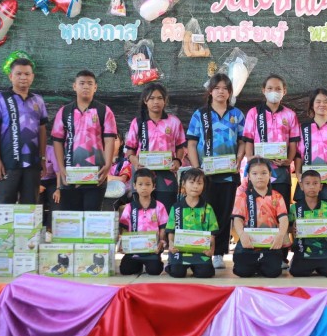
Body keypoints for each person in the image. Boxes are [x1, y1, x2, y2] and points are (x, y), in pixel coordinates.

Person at [185, 73, 245, 270]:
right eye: (217, 88)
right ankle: (201, 251)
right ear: (210, 91)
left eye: (225, 88)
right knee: (204, 213)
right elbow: (191, 143)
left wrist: (238, 160)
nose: (221, 91)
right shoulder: (200, 114)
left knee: (224, 214)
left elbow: (242, 141)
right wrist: (197, 169)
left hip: (229, 175)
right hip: (205, 175)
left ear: (230, 92)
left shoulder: (237, 114)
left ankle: (218, 253)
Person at [52, 70, 117, 211]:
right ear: (74, 86)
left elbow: (109, 140)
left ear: (95, 87)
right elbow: (57, 141)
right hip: (69, 173)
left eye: (90, 83)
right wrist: (61, 168)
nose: (86, 86)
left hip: (96, 174)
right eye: (82, 83)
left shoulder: (105, 111)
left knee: (91, 217)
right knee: (72, 218)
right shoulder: (64, 111)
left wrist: (107, 166)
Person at [0, 57, 48, 204]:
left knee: (30, 205)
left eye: (27, 74)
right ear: (11, 76)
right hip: (7, 163)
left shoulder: (38, 100)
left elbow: (42, 131)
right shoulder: (0, 98)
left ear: (32, 77)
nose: (23, 77)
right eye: (18, 73)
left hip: (32, 163)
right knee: (3, 204)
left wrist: (43, 158)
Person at [124, 82, 186, 212]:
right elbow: (130, 149)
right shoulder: (137, 122)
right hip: (142, 175)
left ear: (165, 101)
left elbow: (181, 146)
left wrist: (177, 161)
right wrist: (134, 160)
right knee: (142, 214)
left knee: (166, 212)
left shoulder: (174, 122)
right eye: (151, 98)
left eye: (159, 98)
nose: (156, 101)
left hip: (167, 175)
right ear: (145, 101)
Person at [243, 74, 300, 213]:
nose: (274, 91)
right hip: (258, 173)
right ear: (263, 90)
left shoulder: (290, 115)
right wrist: (250, 158)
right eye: (270, 88)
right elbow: (248, 139)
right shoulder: (254, 113)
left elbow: (294, 142)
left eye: (278, 89)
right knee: (259, 212)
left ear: (284, 91)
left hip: (281, 174)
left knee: (281, 212)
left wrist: (289, 160)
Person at [231, 157, 289, 278]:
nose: (259, 177)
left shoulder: (277, 196)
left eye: (264, 173)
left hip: (270, 244)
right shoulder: (243, 196)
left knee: (273, 273)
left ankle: (262, 264)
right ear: (248, 176)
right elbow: (238, 219)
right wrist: (242, 234)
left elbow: (283, 219)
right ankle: (256, 264)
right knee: (242, 271)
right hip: (249, 243)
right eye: (255, 173)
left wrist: (280, 235)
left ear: (270, 174)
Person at [294, 88, 327, 214]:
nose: (322, 104)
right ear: (312, 105)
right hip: (308, 181)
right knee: (306, 220)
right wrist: (298, 174)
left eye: (326, 101)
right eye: (318, 101)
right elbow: (298, 154)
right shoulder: (303, 128)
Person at [166, 168, 218, 278]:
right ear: (183, 184)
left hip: (201, 251)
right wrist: (171, 244)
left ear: (203, 186)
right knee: (177, 272)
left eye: (199, 183)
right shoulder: (176, 207)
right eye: (192, 182)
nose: (195, 186)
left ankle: (197, 266)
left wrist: (211, 250)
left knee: (205, 273)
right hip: (180, 250)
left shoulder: (208, 208)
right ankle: (172, 261)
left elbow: (212, 233)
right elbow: (171, 230)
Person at [288, 170, 327, 277]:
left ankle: (321, 263)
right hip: (303, 250)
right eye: (307, 183)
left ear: (320, 186)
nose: (311, 187)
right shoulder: (295, 208)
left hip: (322, 250)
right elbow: (288, 228)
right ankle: (298, 260)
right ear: (301, 186)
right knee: (296, 272)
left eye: (315, 183)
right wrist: (292, 229)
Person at [119, 168, 167, 276]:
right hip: (133, 249)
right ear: (135, 186)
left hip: (152, 249)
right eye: (140, 184)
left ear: (153, 186)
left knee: (154, 271)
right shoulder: (130, 207)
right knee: (125, 270)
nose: (144, 187)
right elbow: (124, 227)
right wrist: (123, 243)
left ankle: (155, 261)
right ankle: (138, 264)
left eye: (147, 184)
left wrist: (161, 242)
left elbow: (163, 227)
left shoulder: (159, 206)